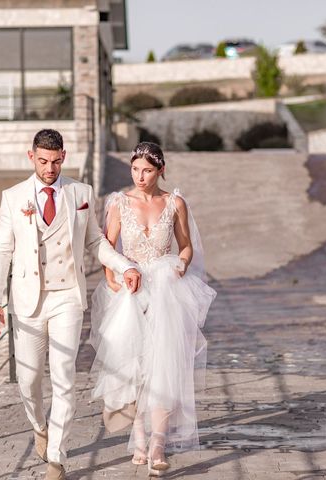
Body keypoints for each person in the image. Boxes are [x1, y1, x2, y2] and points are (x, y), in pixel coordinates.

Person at [0, 129, 141, 480]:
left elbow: (96, 242)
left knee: (64, 378)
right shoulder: (13, 197)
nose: (50, 168)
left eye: (55, 161)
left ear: (64, 157)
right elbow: (2, 252)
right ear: (31, 157)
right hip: (27, 301)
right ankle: (39, 425)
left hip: (67, 298)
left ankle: (56, 457)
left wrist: (124, 265)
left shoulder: (80, 193)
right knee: (28, 380)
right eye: (43, 161)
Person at [90, 141, 216, 477]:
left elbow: (186, 245)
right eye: (135, 169)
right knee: (134, 366)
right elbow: (106, 244)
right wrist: (113, 281)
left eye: (147, 170)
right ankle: (140, 437)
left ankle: (159, 442)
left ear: (160, 169)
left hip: (165, 288)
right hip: (131, 289)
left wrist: (181, 265)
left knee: (164, 364)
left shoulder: (174, 202)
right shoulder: (119, 202)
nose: (140, 176)